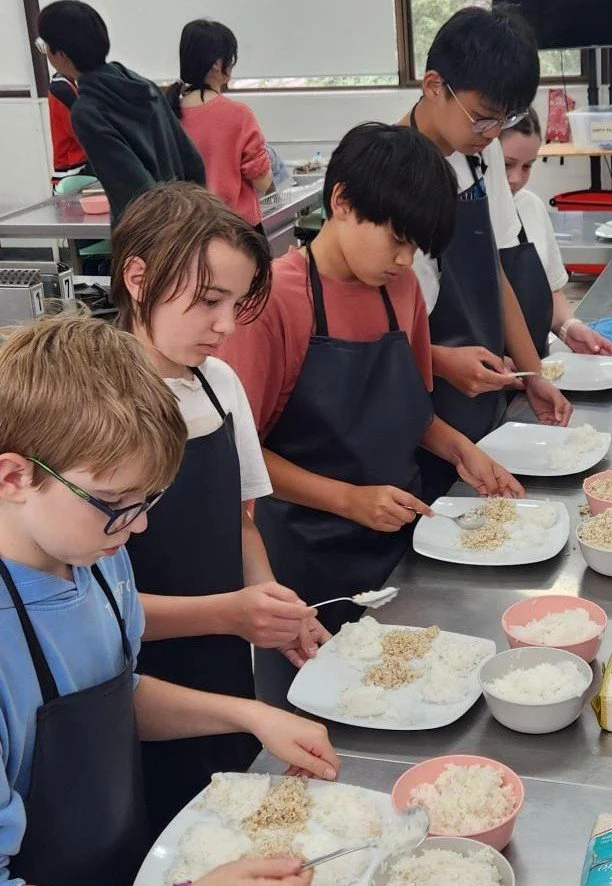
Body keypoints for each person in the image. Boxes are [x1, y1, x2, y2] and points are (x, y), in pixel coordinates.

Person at [0, 314, 338, 886]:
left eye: (147, 498)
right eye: (114, 501)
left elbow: (111, 697)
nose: (141, 524)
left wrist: (251, 715)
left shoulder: (96, 556)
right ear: (13, 476)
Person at [218, 122, 523, 707]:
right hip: (307, 558)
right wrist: (348, 500)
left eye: (417, 248)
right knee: (323, 716)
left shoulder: (401, 289)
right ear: (341, 203)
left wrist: (465, 452)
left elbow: (411, 409)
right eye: (397, 239)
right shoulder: (274, 301)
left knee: (407, 700)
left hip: (399, 546)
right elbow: (241, 458)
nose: (405, 259)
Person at [107, 182, 331, 832]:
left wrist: (270, 604)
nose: (227, 326)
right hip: (138, 686)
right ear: (139, 277)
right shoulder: (94, 410)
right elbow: (96, 614)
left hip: (227, 668)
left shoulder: (219, 383)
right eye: (208, 302)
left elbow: (237, 521)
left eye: (236, 304)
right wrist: (231, 613)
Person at [400, 5, 572, 501]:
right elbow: (364, 326)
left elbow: (494, 271)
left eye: (506, 120)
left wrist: (532, 374)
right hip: (417, 395)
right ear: (434, 85)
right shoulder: (389, 169)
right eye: (483, 118)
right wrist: (439, 361)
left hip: (482, 386)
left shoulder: (481, 153)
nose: (493, 133)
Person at [36, 0, 206, 223]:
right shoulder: (143, 85)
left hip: (149, 232)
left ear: (61, 55)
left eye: (45, 45)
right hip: (187, 218)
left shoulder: (88, 111)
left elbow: (133, 192)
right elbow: (192, 162)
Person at [499, 107, 612, 358]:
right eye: (507, 164)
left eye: (527, 167)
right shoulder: (464, 216)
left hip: (538, 367)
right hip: (484, 377)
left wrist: (569, 328)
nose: (515, 178)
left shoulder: (530, 206)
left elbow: (551, 291)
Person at [166, 20, 274, 230]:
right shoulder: (237, 114)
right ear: (217, 63)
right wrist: (272, 183)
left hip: (186, 231)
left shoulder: (169, 112)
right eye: (230, 57)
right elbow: (260, 179)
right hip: (236, 230)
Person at [47, 72, 91, 188]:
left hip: (77, 165)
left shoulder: (68, 85)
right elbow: (82, 131)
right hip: (73, 169)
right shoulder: (62, 90)